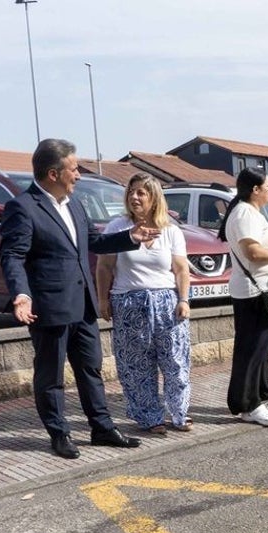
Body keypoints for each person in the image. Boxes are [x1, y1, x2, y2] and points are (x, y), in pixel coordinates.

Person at [0, 139, 159, 460]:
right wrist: (21, 294)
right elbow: (12, 255)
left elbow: (95, 241)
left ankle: (102, 428)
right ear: (54, 173)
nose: (79, 175)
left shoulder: (74, 204)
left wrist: (130, 237)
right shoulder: (23, 207)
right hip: (50, 308)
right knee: (51, 375)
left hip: (82, 304)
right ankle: (59, 434)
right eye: (74, 169)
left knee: (91, 369)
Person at [95, 173, 193, 436]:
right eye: (131, 192)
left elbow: (181, 269)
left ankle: (179, 413)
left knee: (175, 362)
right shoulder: (117, 227)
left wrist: (183, 300)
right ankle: (150, 417)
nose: (134, 197)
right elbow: (104, 267)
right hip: (128, 303)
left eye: (141, 193)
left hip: (166, 303)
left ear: (154, 197)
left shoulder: (171, 231)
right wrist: (102, 299)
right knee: (136, 366)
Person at [217, 168, 268, 426]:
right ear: (255, 190)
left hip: (265, 291)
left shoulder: (250, 212)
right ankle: (247, 405)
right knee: (251, 349)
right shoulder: (244, 214)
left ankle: (264, 394)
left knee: (264, 346)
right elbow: (252, 252)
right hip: (254, 293)